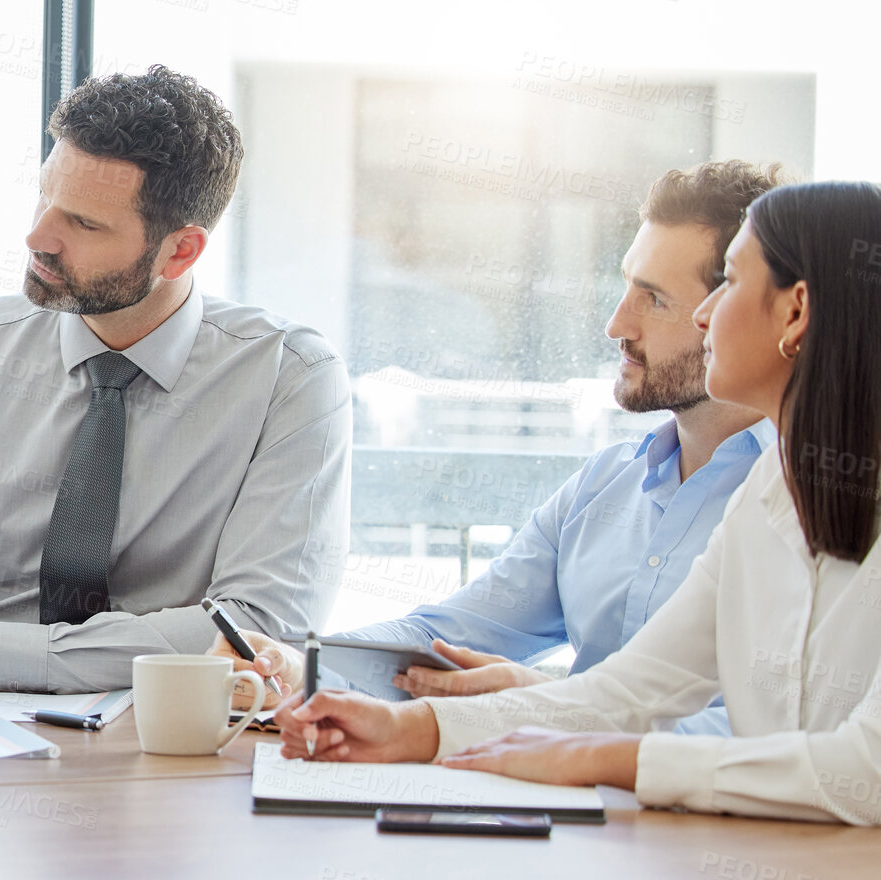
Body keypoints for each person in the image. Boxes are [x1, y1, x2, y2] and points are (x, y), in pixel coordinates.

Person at [278, 181, 881, 826]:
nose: (707, 315)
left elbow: (864, 773)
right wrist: (410, 729)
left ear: (795, 314)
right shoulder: (770, 494)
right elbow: (628, 690)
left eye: (728, 284)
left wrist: (608, 759)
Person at [0, 66, 351, 698]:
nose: (37, 236)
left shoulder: (290, 379)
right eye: (44, 197)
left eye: (85, 224)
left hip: (172, 755)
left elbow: (254, 637)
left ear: (180, 252)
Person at [212, 161, 785, 738]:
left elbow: (783, 731)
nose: (616, 324)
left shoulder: (810, 507)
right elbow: (450, 637)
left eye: (655, 300)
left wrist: (543, 701)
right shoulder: (604, 485)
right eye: (625, 286)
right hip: (570, 799)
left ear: (739, 311)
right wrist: (301, 662)